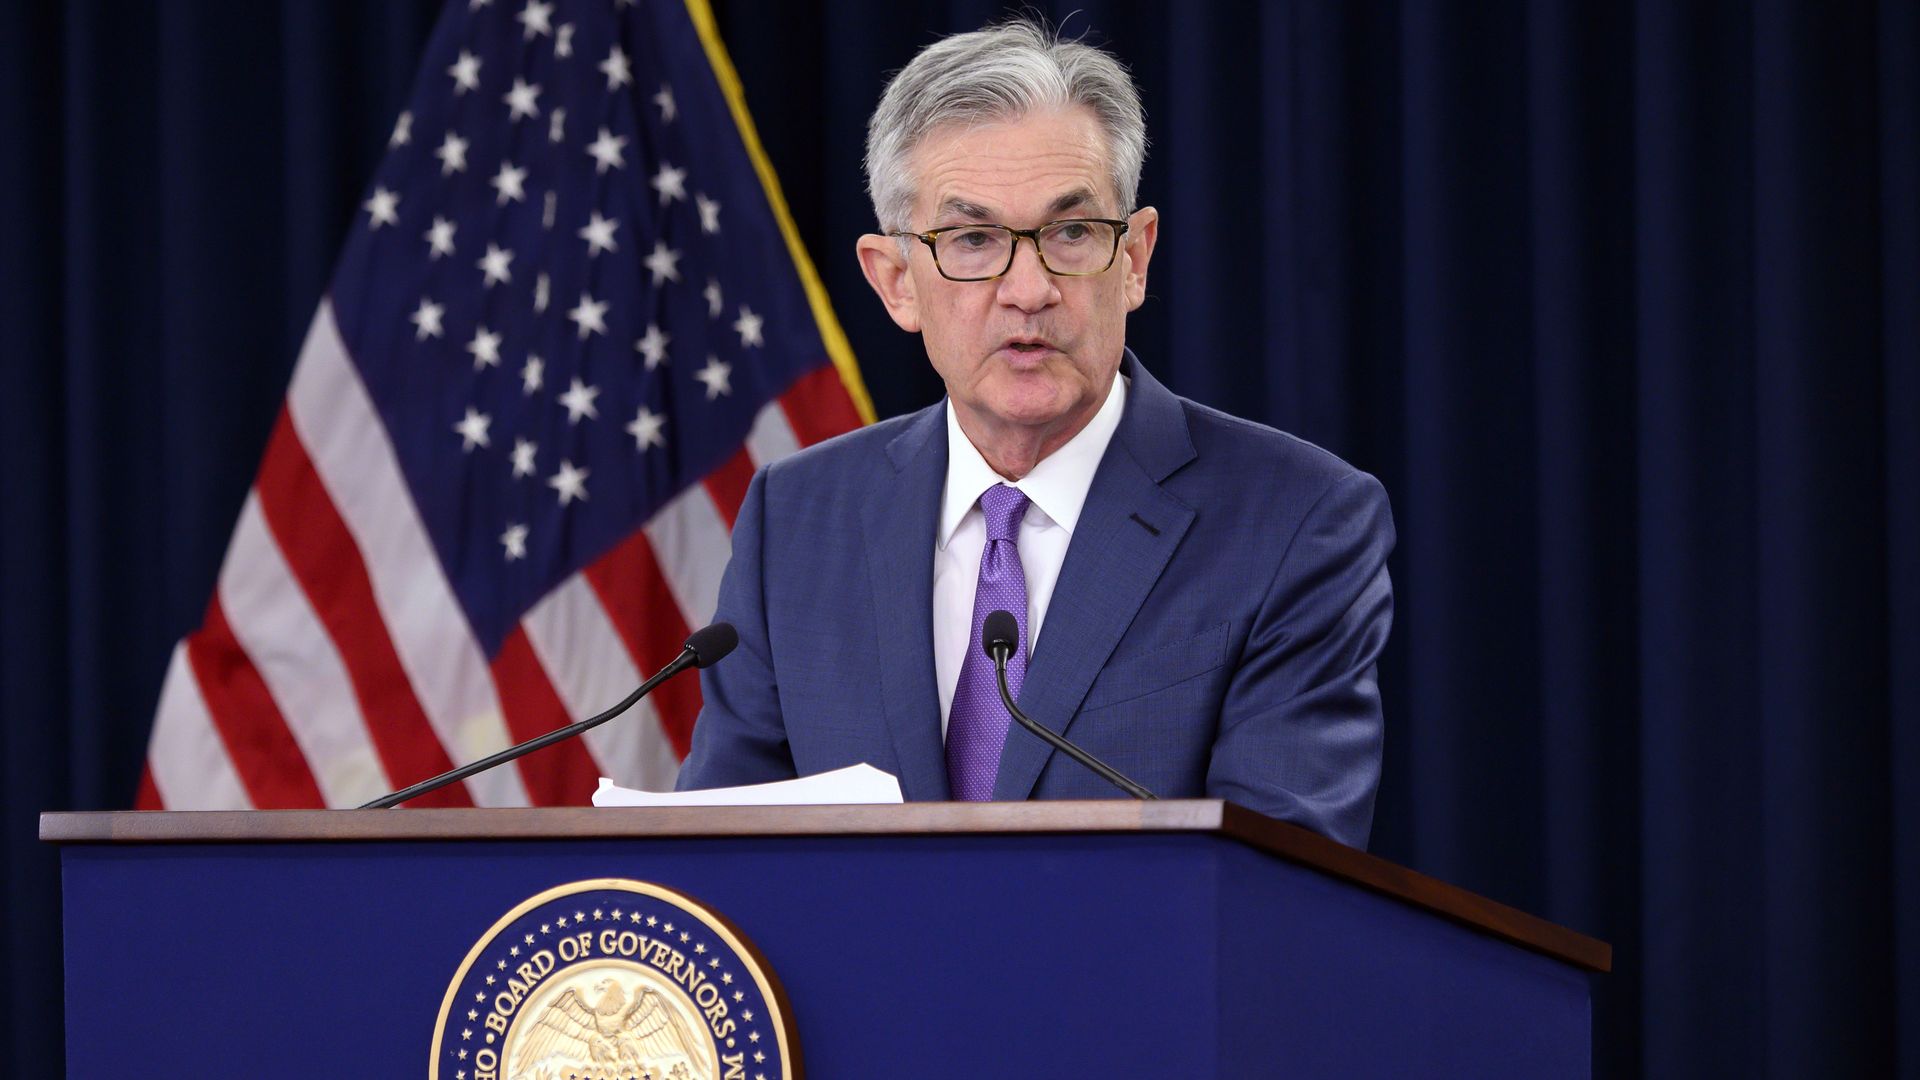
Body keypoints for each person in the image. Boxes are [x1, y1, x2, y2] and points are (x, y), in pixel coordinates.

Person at [676, 18, 1395, 849]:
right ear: (896, 282)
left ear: (1134, 260)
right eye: (974, 240)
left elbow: (1275, 894)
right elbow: (714, 860)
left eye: (1072, 234)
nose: (1030, 288)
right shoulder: (797, 518)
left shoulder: (1295, 522)